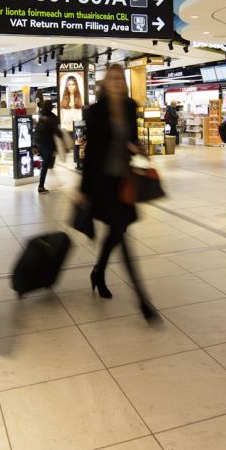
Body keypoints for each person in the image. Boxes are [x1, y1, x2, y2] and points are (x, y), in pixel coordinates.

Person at [80, 64, 158, 323]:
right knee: (123, 239)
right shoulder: (96, 111)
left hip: (123, 181)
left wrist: (138, 148)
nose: (115, 81)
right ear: (105, 82)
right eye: (111, 77)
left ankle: (98, 272)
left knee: (117, 232)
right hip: (102, 184)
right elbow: (90, 153)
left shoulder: (129, 106)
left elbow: (131, 139)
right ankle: (142, 300)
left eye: (119, 78)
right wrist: (84, 190)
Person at [33, 100, 63, 193]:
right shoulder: (52, 117)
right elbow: (56, 131)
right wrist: (62, 138)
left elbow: (37, 129)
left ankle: (41, 185)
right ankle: (41, 186)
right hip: (48, 143)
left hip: (39, 142)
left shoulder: (40, 115)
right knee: (45, 164)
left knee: (45, 164)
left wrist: (34, 144)